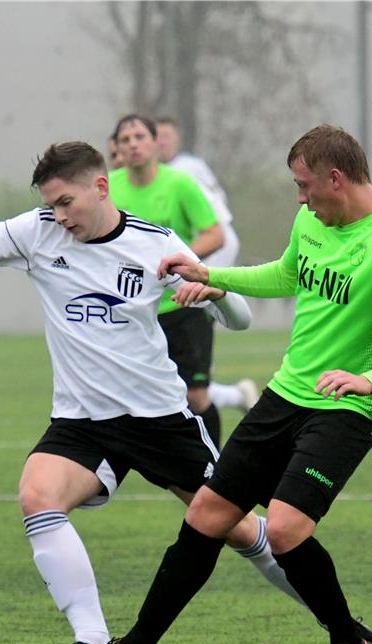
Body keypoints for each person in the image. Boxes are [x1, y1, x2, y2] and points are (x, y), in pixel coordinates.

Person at [0, 141, 364, 644]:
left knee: (237, 529)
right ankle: (89, 640)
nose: (59, 216)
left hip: (161, 420)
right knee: (37, 495)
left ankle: (346, 631)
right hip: (82, 423)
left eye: (66, 202)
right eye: (51, 206)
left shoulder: (154, 244)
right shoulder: (35, 232)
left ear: (101, 186)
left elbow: (242, 319)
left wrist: (215, 294)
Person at [95, 124, 372, 644]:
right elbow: (285, 274)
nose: (300, 198)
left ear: (337, 178)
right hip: (286, 394)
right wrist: (211, 274)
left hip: (346, 408)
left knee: (282, 528)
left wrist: (371, 381)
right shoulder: (312, 219)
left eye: (305, 185)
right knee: (207, 514)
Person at [109, 114, 247, 444]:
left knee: (196, 396)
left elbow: (216, 234)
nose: (133, 144)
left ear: (155, 143)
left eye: (139, 136)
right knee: (136, 399)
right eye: (125, 140)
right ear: (117, 148)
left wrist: (180, 260)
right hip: (136, 311)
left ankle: (215, 468)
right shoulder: (109, 188)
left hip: (185, 305)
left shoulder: (180, 183)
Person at [156, 114, 260, 415]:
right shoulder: (184, 167)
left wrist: (194, 266)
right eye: (157, 136)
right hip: (206, 252)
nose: (161, 142)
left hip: (212, 252)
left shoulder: (182, 171)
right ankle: (233, 394)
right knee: (181, 377)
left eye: (166, 136)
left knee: (191, 378)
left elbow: (217, 230)